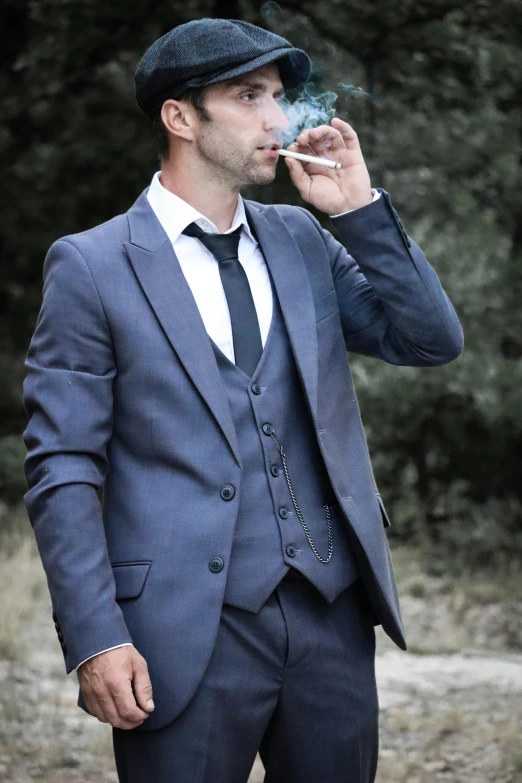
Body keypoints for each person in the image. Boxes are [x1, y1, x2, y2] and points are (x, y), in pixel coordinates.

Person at [22, 17, 463, 783]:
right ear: (180, 117)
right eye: (250, 96)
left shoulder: (301, 238)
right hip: (180, 629)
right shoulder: (91, 267)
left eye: (281, 97)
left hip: (330, 612)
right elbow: (62, 464)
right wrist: (96, 636)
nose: (279, 118)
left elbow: (430, 339)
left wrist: (358, 208)